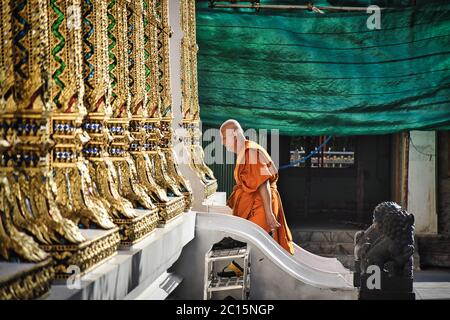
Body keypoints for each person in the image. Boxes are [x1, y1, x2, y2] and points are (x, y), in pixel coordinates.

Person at [220, 119, 294, 255]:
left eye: (224, 137)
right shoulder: (244, 151)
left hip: (261, 205)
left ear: (235, 134)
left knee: (253, 244)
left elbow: (262, 183)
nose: (222, 142)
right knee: (247, 243)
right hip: (255, 205)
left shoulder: (251, 151)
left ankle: (244, 272)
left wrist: (269, 213)